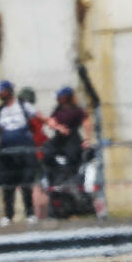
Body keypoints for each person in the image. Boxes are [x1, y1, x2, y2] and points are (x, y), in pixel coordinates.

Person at [0, 80, 51, 226]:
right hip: (7, 154)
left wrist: (54, 124)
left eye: (1, 91)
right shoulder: (0, 110)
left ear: (9, 91)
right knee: (8, 186)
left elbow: (39, 117)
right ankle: (8, 215)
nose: (0, 94)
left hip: (23, 152)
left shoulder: (23, 105)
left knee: (26, 183)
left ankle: (30, 214)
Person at [41, 87, 94, 216]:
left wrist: (87, 139)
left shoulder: (76, 110)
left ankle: (70, 181)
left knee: (72, 155)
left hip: (72, 138)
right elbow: (51, 122)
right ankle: (56, 179)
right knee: (47, 151)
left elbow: (87, 123)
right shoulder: (57, 110)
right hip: (59, 139)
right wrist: (58, 127)